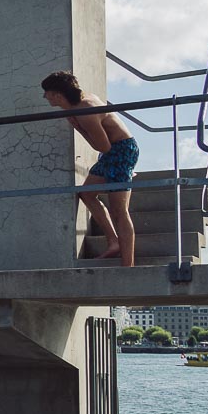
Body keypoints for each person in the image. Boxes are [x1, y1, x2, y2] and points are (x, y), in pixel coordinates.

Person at [41, 71, 139, 267]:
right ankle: (113, 242)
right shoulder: (78, 106)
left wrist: (77, 125)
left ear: (58, 95)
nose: (45, 97)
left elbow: (103, 147)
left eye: (47, 93)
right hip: (114, 153)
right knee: (86, 194)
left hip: (121, 151)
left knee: (119, 210)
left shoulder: (85, 111)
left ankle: (128, 266)